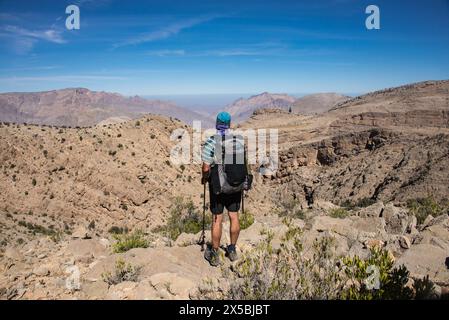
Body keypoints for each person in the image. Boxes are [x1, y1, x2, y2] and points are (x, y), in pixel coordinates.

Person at [201, 111, 242, 266]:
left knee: (217, 219)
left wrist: (204, 179)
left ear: (217, 124)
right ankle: (232, 250)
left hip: (218, 186)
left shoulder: (212, 142)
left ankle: (215, 253)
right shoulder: (237, 141)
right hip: (234, 185)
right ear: (229, 124)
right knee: (234, 216)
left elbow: (206, 168)